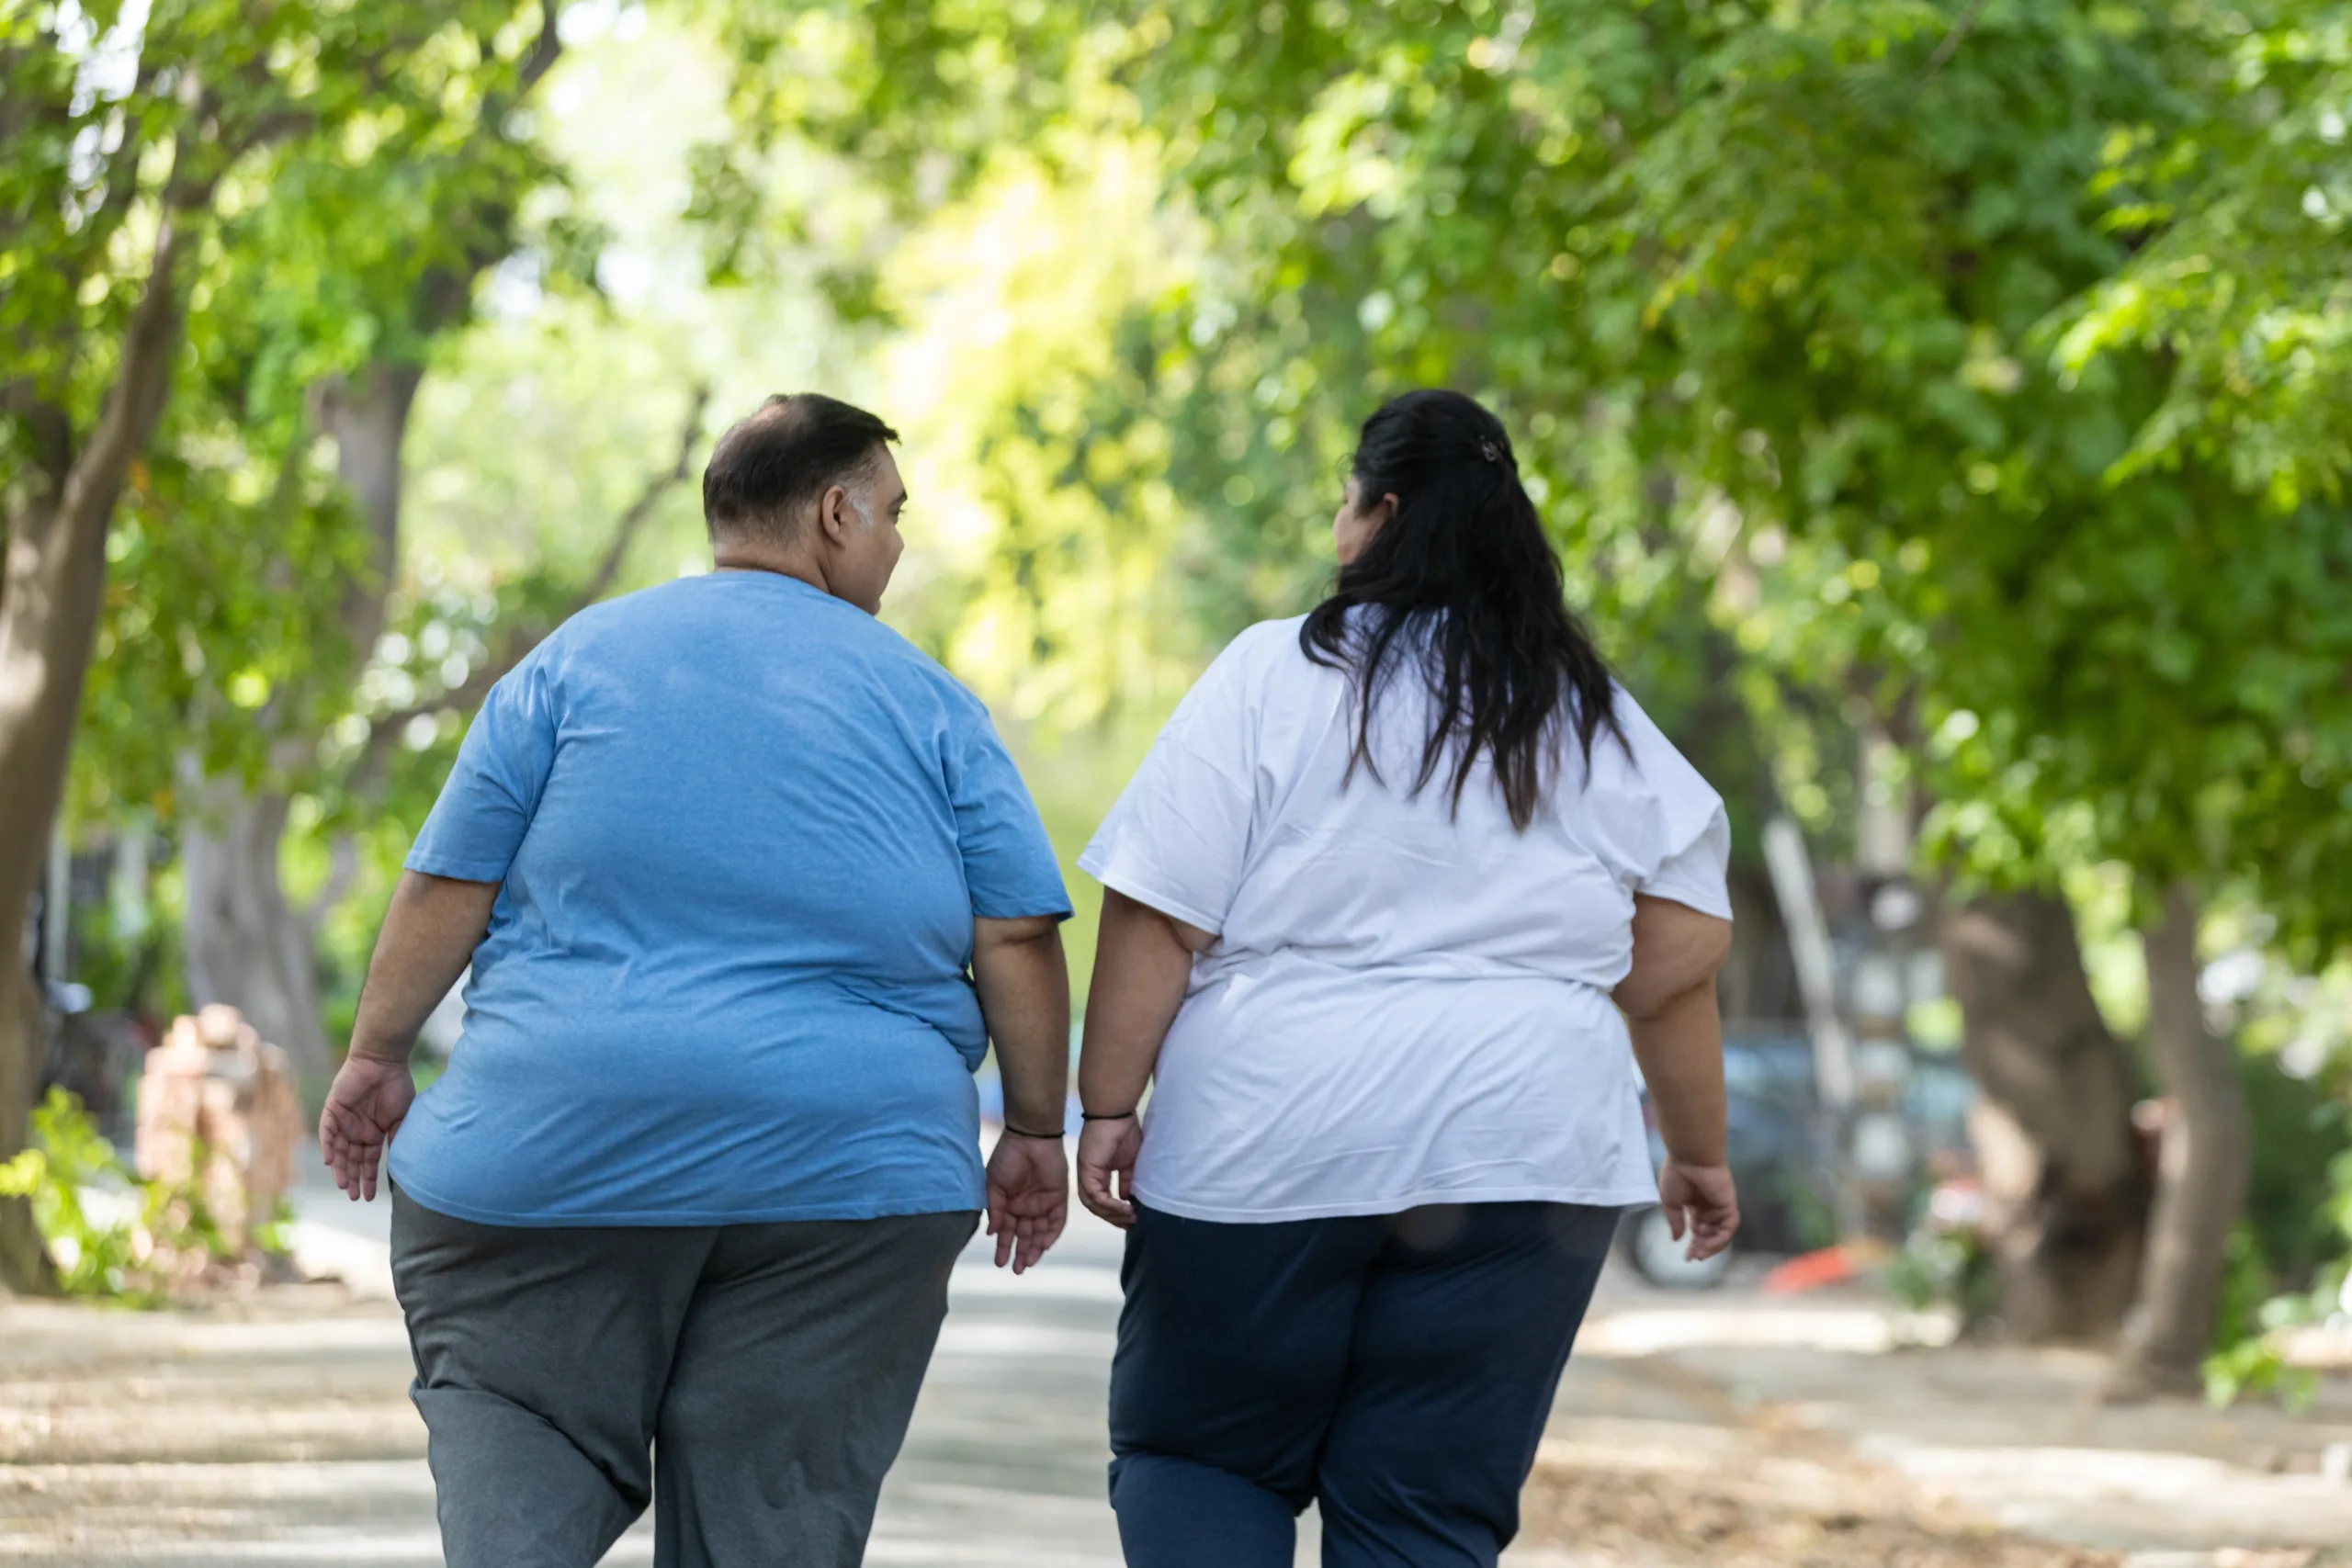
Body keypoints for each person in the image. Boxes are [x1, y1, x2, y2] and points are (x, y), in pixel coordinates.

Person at [317, 393, 1076, 1568]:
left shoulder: (572, 662)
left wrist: (374, 1057)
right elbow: (1018, 934)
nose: (898, 542)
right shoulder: (929, 703)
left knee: (519, 1432)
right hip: (845, 1182)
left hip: (546, 1156)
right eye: (892, 512)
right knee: (770, 1515)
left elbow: (443, 886)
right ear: (835, 515)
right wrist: (1033, 1127)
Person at [1071, 389, 1739, 1568]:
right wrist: (1696, 1149)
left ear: (1377, 514)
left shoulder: (1269, 672)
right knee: (1426, 1514)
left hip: (1269, 1132)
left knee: (1203, 1457)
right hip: (1524, 1148)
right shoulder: (1585, 714)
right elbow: (1680, 956)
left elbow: (1155, 909)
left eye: (1344, 502)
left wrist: (1106, 1105)